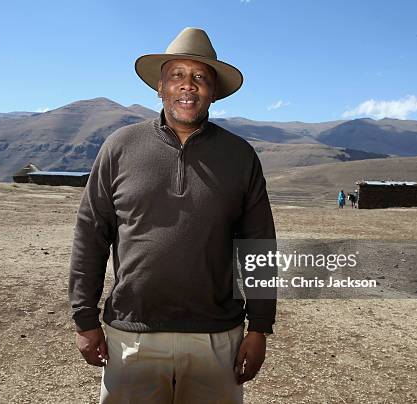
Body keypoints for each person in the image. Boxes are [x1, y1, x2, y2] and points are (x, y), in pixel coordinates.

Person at [68, 27, 276, 403]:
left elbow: (259, 246)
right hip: (131, 336)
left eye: (200, 77)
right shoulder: (119, 147)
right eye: (177, 75)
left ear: (213, 92)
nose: (188, 86)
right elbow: (90, 234)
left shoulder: (241, 156)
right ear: (159, 86)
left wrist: (259, 328)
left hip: (217, 339)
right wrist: (84, 318)